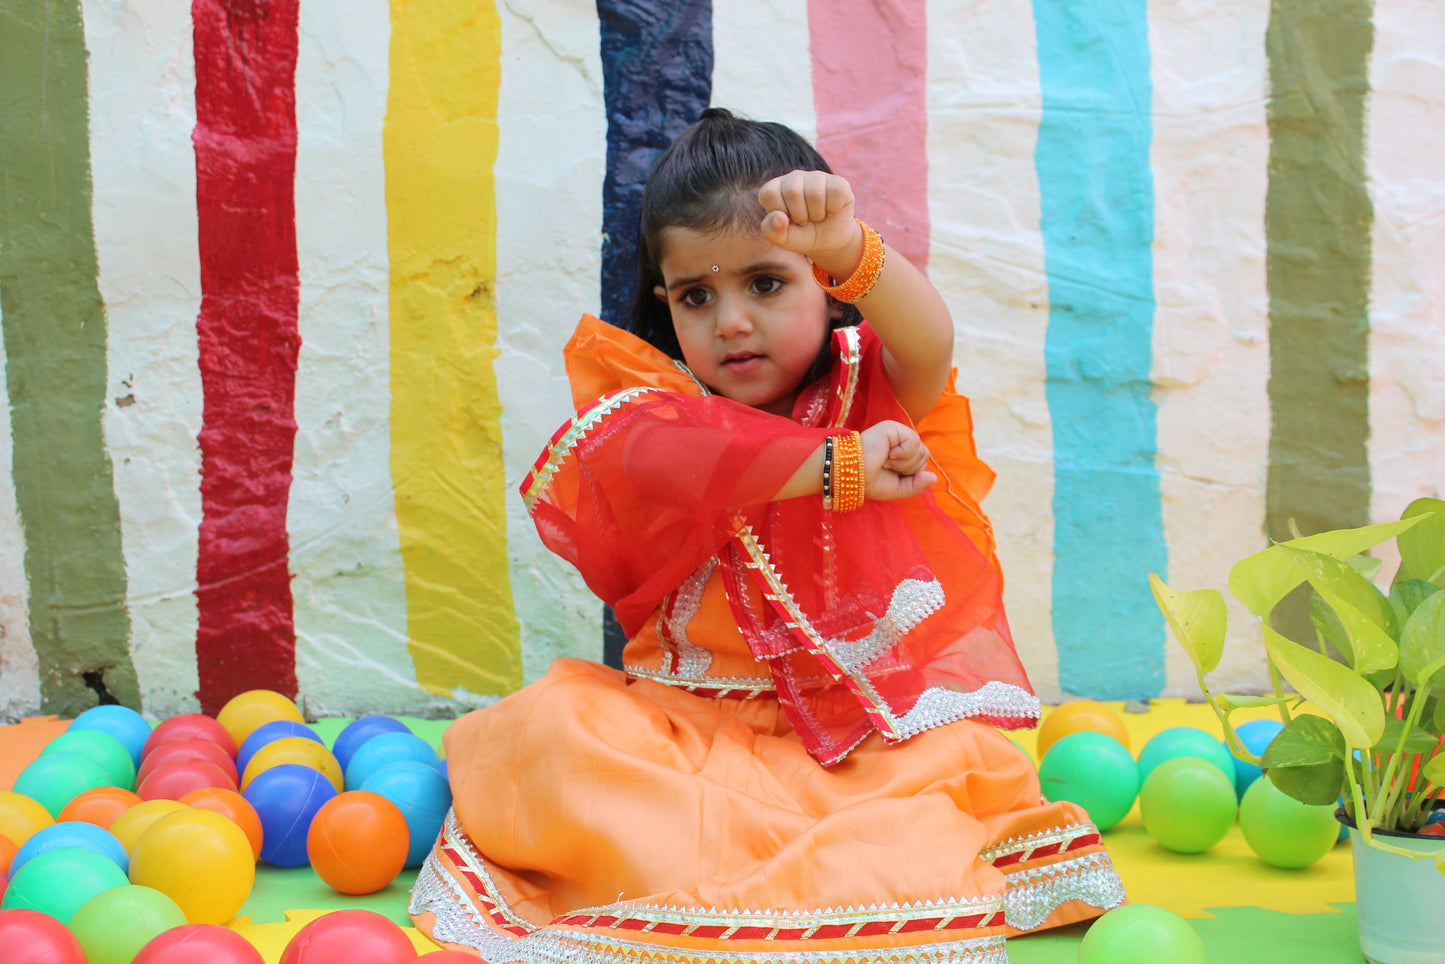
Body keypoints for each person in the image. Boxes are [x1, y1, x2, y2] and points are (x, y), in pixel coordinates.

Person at [410, 108, 1124, 963]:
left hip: (859, 736)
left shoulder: (873, 390)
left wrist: (852, 243)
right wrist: (832, 468)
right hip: (684, 728)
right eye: (696, 296)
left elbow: (930, 337)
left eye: (766, 283)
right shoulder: (652, 414)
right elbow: (673, 463)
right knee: (552, 735)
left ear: (825, 283)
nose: (731, 322)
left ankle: (795, 883)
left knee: (925, 788)